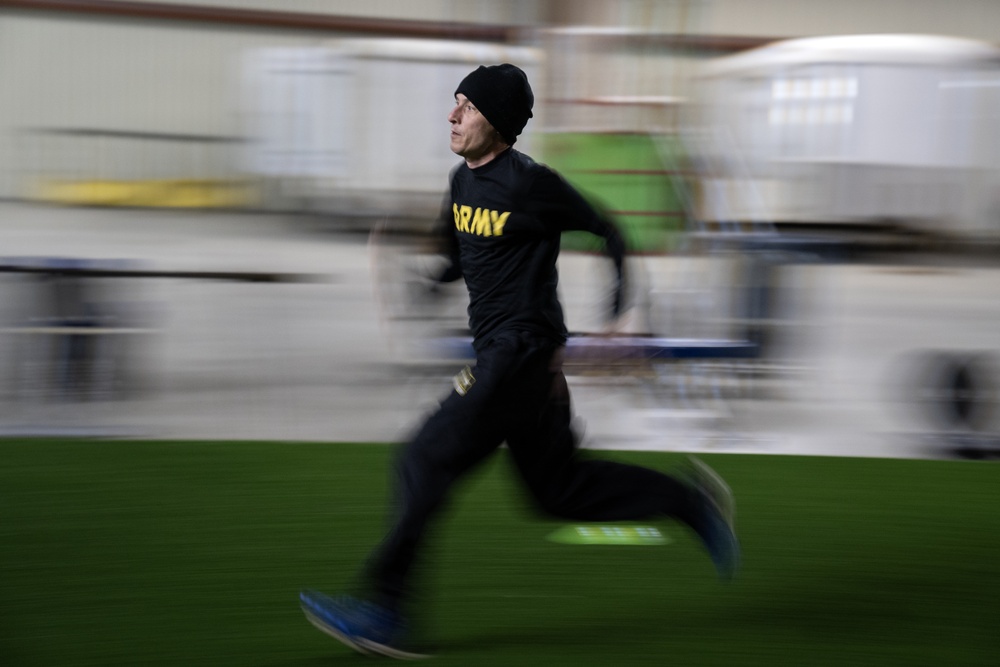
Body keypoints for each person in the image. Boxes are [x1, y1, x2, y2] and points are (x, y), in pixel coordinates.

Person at [300, 63, 740, 659]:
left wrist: (615, 313)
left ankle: (387, 612)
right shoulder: (460, 185)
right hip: (518, 364)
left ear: (499, 121)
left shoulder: (532, 184)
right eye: (454, 103)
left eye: (468, 107)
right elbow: (461, 259)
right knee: (558, 492)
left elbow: (609, 230)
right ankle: (692, 502)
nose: (453, 116)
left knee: (421, 459)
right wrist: (424, 283)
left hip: (520, 355)